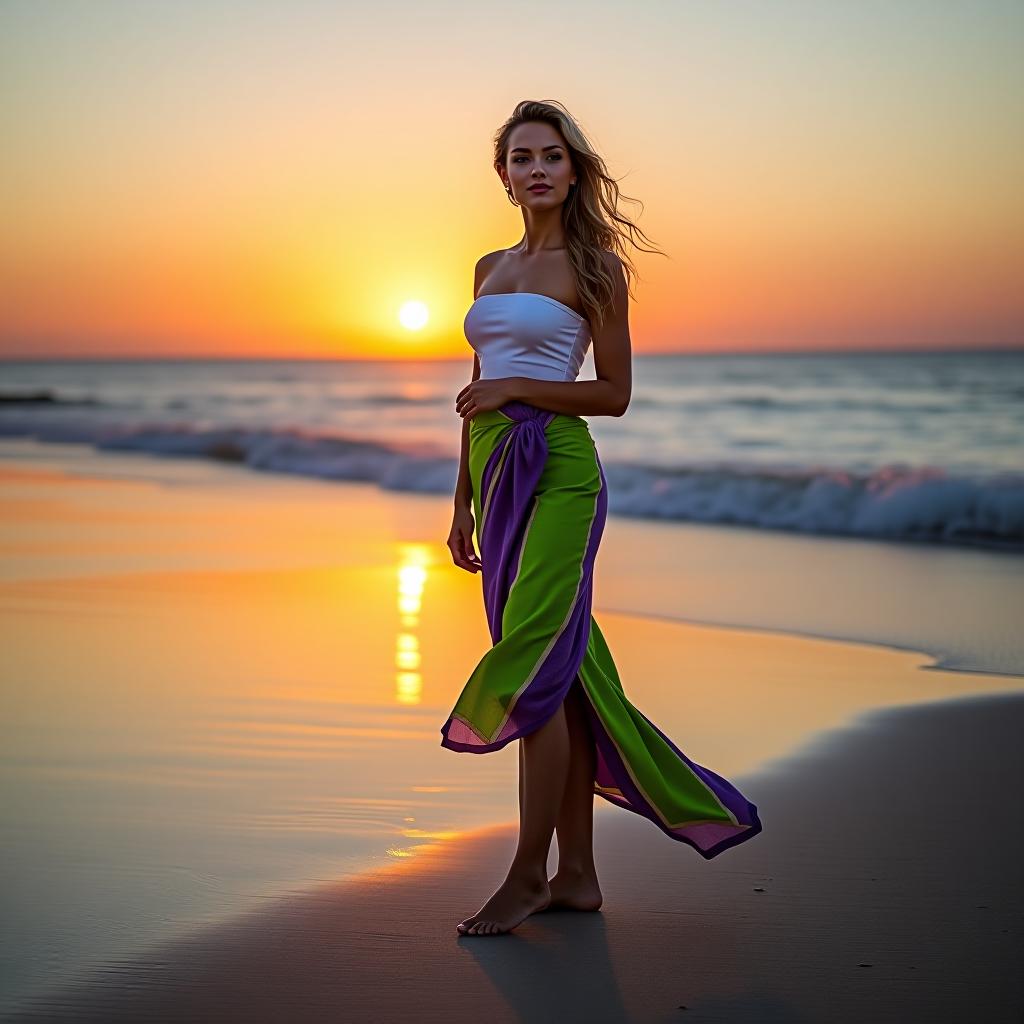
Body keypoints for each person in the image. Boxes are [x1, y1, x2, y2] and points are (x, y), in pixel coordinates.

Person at [442, 99, 762, 937]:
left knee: (536, 665)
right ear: (504, 175)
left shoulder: (598, 268)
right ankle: (577, 876)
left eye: (552, 155)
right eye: (521, 157)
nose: (537, 168)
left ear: (574, 171)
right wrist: (461, 502)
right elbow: (475, 392)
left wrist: (518, 389)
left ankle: (526, 875)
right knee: (570, 674)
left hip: (563, 474)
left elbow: (613, 395)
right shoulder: (485, 267)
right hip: (494, 471)